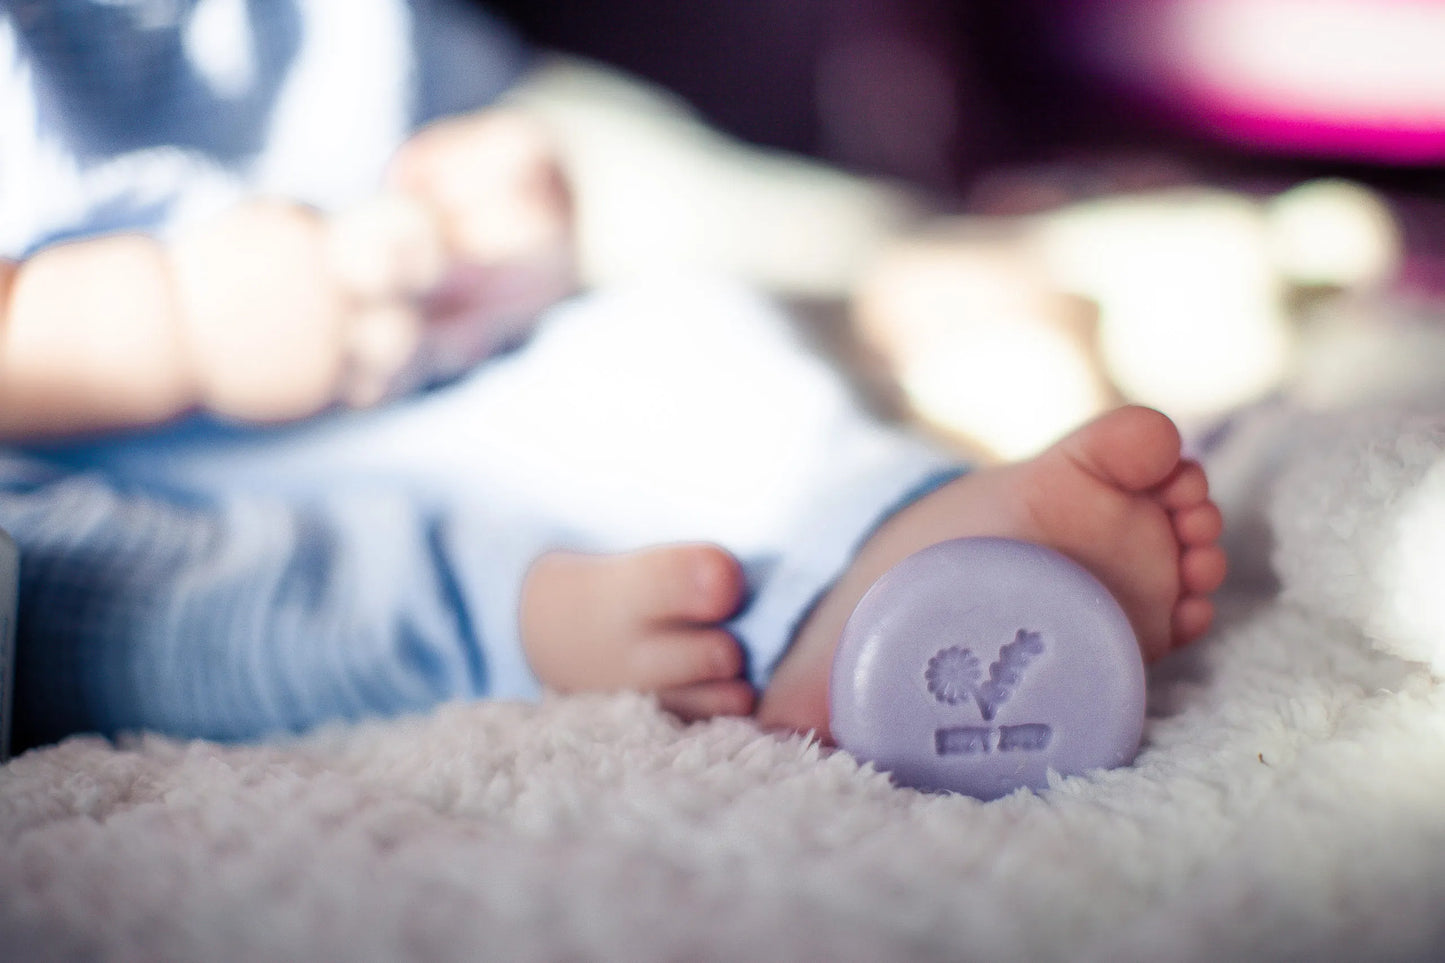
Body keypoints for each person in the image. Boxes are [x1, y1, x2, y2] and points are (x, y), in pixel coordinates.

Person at [0, 0, 1225, 750]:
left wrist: (492, 201)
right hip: (68, 475)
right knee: (70, 599)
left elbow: (469, 114)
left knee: (679, 334)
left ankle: (875, 548)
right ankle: (506, 631)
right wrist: (158, 323)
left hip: (415, 385)